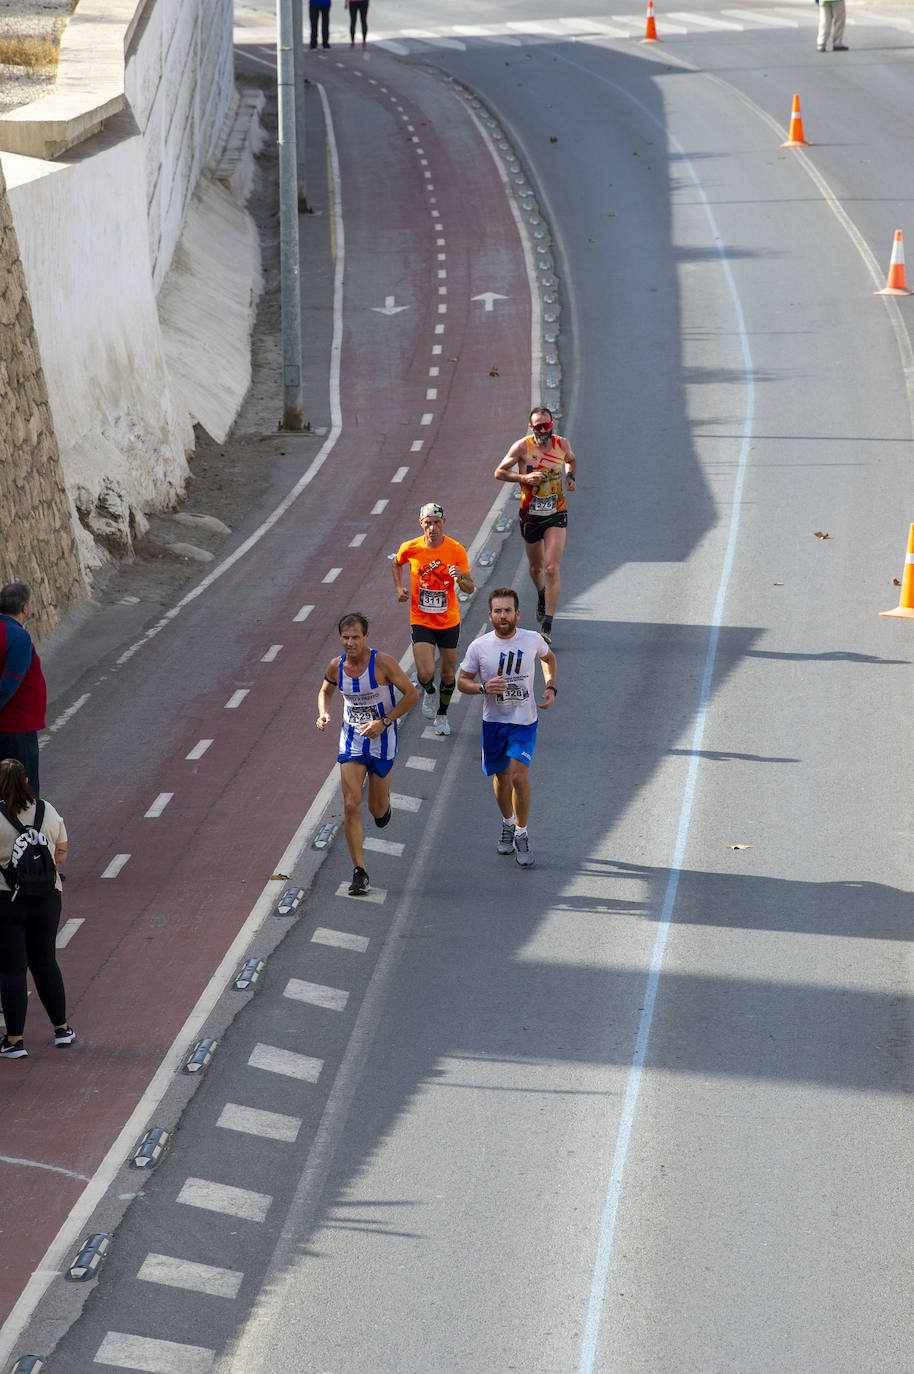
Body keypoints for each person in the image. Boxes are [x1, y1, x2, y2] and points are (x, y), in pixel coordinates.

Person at [317, 612, 418, 895]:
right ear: (340, 638)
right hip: (351, 742)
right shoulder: (336, 666)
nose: (350, 643)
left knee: (375, 810)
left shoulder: (383, 664)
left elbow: (411, 695)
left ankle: (384, 805)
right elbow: (325, 691)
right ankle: (359, 871)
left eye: (355, 638)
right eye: (345, 638)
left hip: (383, 740)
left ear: (366, 637)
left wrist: (384, 721)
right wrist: (323, 714)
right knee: (350, 805)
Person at [457, 587, 557, 868]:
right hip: (494, 723)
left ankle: (522, 833)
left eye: (508, 610)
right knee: (501, 777)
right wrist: (482, 687)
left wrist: (550, 686)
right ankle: (507, 823)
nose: (503, 615)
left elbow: (548, 658)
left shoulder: (532, 639)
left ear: (517, 613)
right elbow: (462, 680)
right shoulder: (480, 647)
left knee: (518, 775)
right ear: (490, 616)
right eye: (498, 611)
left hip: (524, 722)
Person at [0, 758, 73, 1058]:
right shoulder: (47, 810)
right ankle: (62, 1029)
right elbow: (62, 854)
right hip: (47, 897)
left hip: (7, 901)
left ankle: (15, 1041)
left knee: (13, 970)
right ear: (27, 781)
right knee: (45, 962)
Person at [494, 406, 576, 644]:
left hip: (556, 513)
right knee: (536, 569)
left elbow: (571, 461)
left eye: (546, 425)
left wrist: (570, 476)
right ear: (531, 428)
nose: (542, 430)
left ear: (552, 424)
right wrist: (524, 478)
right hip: (530, 515)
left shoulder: (562, 444)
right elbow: (499, 472)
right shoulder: (522, 447)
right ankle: (542, 593)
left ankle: (547, 625)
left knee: (551, 568)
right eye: (537, 426)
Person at [392, 502, 475, 738]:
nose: (433, 528)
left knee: (448, 675)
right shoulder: (410, 548)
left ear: (444, 523)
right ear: (421, 524)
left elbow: (470, 587)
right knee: (426, 673)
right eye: (428, 523)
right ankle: (429, 691)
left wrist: (460, 579)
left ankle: (442, 714)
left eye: (437, 523)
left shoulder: (456, 550)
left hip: (448, 622)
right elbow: (396, 563)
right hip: (421, 619)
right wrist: (399, 587)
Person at [0, 582, 48, 794]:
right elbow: (8, 685)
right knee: (25, 791)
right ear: (25, 608)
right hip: (17, 729)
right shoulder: (19, 637)